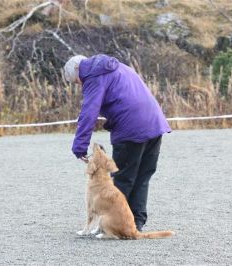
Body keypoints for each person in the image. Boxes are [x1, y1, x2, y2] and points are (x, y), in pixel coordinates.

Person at [64, 54, 171, 231]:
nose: (80, 85)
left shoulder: (92, 75)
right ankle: (135, 224)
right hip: (155, 123)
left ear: (78, 71)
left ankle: (111, 225)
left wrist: (80, 146)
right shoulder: (118, 67)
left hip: (131, 128)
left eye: (77, 82)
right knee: (142, 176)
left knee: (122, 178)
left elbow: (89, 112)